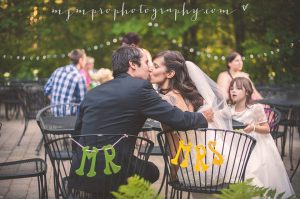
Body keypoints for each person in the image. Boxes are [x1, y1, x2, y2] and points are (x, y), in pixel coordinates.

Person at [69, 45, 213, 195]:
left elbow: (77, 133)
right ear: (132, 64)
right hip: (114, 170)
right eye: (146, 63)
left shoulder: (93, 92)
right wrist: (202, 117)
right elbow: (179, 119)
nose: (150, 68)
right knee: (152, 171)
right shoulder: (140, 88)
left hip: (82, 169)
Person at [229, 77, 295, 198]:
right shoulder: (230, 110)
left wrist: (253, 127)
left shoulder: (255, 108)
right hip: (237, 146)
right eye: (231, 88)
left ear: (247, 92)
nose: (233, 91)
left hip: (255, 146)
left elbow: (267, 129)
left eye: (238, 88)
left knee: (252, 171)